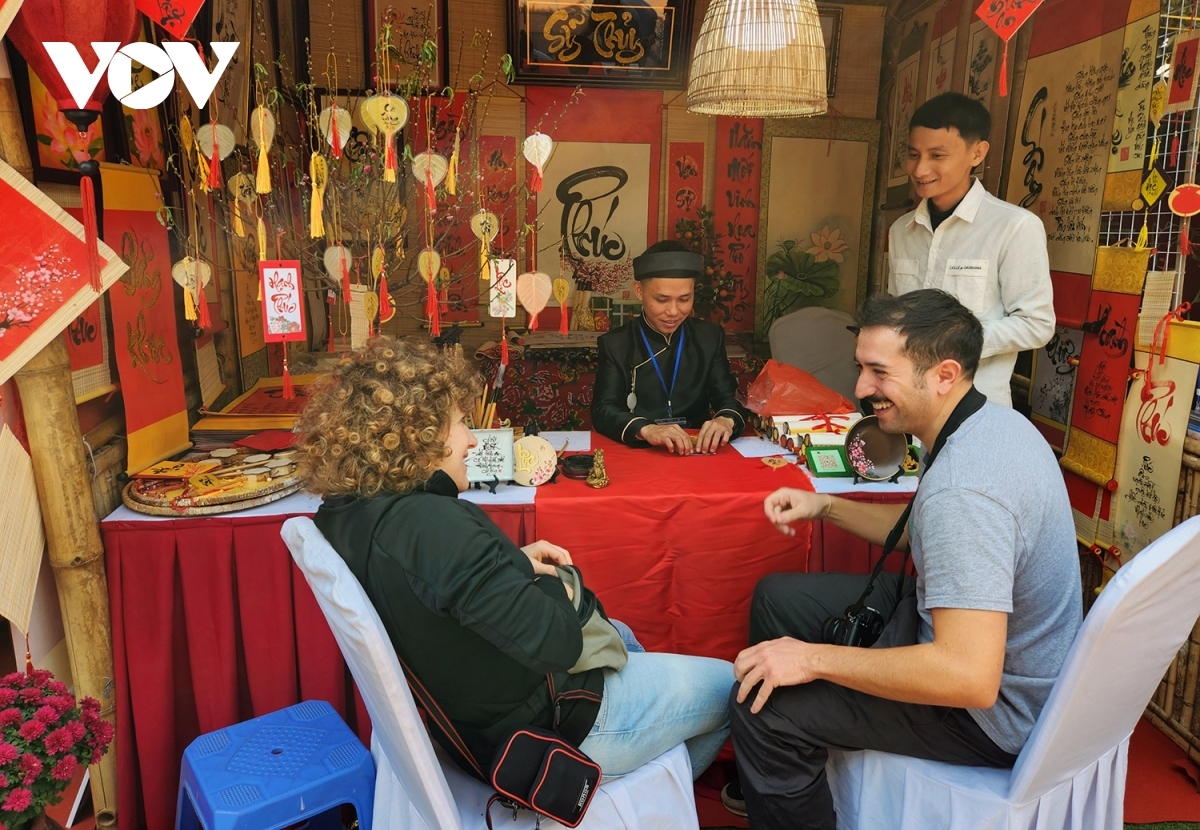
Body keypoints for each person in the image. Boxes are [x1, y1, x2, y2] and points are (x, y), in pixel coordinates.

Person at [297, 337, 733, 781]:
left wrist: (509, 565)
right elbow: (559, 641)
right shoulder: (432, 526)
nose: (471, 440)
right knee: (735, 686)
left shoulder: (349, 511)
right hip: (543, 733)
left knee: (621, 635)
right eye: (461, 422)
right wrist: (558, 581)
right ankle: (645, 795)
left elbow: (427, 585)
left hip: (472, 717)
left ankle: (644, 774)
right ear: (417, 432)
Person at [724, 290, 1081, 828]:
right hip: (982, 644)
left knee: (763, 710)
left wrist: (813, 659)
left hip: (994, 714)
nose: (862, 388)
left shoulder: (967, 489)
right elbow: (927, 534)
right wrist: (825, 506)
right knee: (779, 597)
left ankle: (785, 761)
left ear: (943, 374)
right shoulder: (990, 423)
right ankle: (790, 774)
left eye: (878, 372)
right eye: (861, 368)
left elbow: (968, 677)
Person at [888, 91, 1054, 407]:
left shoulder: (1014, 227)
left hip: (977, 407)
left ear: (977, 153)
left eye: (937, 156)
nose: (920, 169)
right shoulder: (902, 231)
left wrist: (955, 342)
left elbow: (1037, 325)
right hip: (910, 403)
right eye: (913, 154)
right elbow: (899, 317)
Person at [592, 239, 750, 454]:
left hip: (697, 451)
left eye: (684, 299)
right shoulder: (616, 344)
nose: (674, 311)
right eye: (662, 299)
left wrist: (726, 420)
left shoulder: (709, 337)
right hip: (641, 451)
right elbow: (603, 409)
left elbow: (729, 398)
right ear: (639, 290)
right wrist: (646, 429)